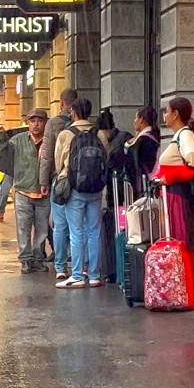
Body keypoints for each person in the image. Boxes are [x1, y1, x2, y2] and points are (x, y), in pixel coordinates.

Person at [54, 98, 107, 289]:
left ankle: (77, 275)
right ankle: (94, 275)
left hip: (74, 187)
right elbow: (106, 158)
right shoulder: (99, 133)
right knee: (94, 231)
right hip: (95, 188)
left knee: (76, 231)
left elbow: (58, 162)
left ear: (74, 112)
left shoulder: (66, 134)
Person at [155, 96, 194, 285]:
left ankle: (187, 291)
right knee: (178, 243)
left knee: (181, 243)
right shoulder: (180, 136)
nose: (164, 115)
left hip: (179, 197)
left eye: (166, 111)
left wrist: (170, 177)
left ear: (175, 114)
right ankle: (183, 290)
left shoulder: (185, 136)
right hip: (172, 196)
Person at [0, 108, 53, 274]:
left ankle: (38, 259)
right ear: (28, 123)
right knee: (23, 229)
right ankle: (26, 261)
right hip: (23, 192)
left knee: (41, 229)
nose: (36, 124)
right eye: (32, 121)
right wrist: (1, 136)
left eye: (39, 121)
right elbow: (2, 151)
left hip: (43, 192)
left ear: (45, 123)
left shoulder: (49, 141)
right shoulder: (18, 140)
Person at [41, 89, 77, 279]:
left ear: (62, 102)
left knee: (60, 224)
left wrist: (43, 181)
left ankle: (61, 266)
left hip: (60, 180)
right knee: (80, 226)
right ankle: (82, 266)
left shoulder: (54, 124)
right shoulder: (86, 125)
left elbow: (47, 155)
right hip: (82, 181)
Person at [125, 106, 160, 194]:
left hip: (141, 185)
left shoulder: (143, 140)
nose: (134, 120)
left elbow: (136, 165)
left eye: (136, 117)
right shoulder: (154, 136)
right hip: (150, 182)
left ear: (141, 119)